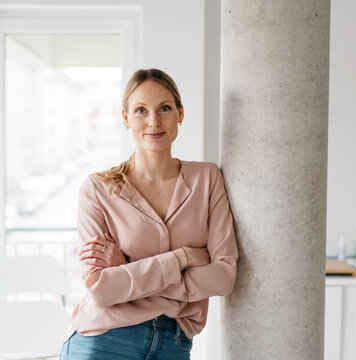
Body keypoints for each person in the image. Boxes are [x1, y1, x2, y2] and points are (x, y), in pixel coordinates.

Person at [59, 68, 238, 360]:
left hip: (173, 342)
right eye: (141, 110)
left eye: (164, 108)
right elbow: (101, 292)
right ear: (126, 118)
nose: (154, 121)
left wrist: (127, 269)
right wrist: (181, 259)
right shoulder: (97, 190)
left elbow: (223, 276)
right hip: (105, 340)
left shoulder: (207, 178)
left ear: (180, 113)